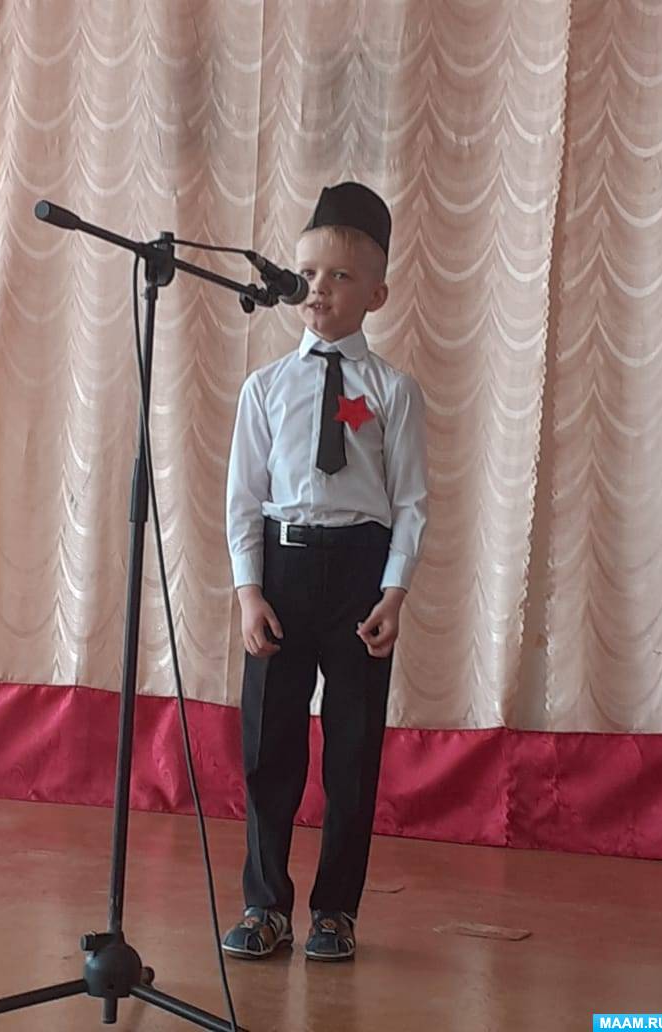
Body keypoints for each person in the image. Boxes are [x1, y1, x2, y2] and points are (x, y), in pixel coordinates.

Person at [223, 182, 428, 962]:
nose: (318, 289)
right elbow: (244, 498)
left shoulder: (392, 392)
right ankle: (264, 903)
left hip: (359, 578)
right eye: (309, 273)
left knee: (352, 749)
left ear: (376, 293)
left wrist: (394, 592)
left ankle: (336, 910)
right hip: (282, 570)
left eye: (341, 276)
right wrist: (249, 591)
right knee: (269, 745)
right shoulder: (265, 388)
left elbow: (410, 501)